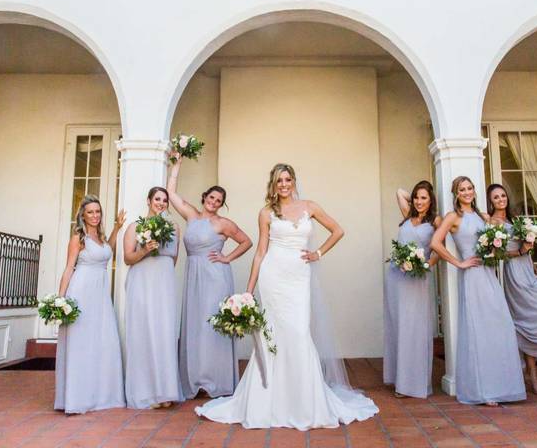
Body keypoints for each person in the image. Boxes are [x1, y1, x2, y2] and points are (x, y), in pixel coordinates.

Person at [195, 163, 379, 429]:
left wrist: (318, 253)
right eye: (279, 180)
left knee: (298, 332)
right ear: (273, 184)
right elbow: (260, 251)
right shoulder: (266, 212)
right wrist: (249, 289)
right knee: (272, 334)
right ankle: (267, 400)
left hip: (298, 276)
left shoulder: (310, 206)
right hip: (273, 276)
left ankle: (304, 402)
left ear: (293, 181)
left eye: (287, 179)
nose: (283, 184)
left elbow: (338, 230)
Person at [429, 177, 525, 406]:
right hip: (472, 276)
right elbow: (435, 242)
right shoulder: (453, 217)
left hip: (489, 274)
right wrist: (459, 262)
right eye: (462, 190)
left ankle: (502, 386)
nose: (467, 192)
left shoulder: (483, 216)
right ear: (456, 193)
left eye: (470, 188)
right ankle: (483, 390)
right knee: (478, 328)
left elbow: (499, 239)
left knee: (498, 326)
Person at [168, 153, 252, 398]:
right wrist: (177, 164)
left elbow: (247, 241)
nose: (214, 202)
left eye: (219, 200)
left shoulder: (223, 223)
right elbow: (171, 193)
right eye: (212, 197)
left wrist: (227, 257)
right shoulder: (191, 216)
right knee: (195, 325)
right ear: (204, 197)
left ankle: (216, 379)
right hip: (194, 275)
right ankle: (195, 379)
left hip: (215, 276)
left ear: (221, 204)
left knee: (211, 325)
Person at [487, 183, 537, 395]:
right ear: (490, 201)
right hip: (514, 274)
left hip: (528, 270)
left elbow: (526, 248)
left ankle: (530, 369)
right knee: (526, 318)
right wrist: (520, 251)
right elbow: (498, 253)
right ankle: (531, 373)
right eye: (496, 197)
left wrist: (532, 264)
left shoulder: (513, 219)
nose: (501, 199)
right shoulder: (493, 222)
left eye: (503, 195)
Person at [54, 195, 126, 413]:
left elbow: (108, 251)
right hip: (82, 290)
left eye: (98, 212)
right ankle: (77, 398)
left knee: (102, 340)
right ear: (82, 215)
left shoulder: (101, 237)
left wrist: (117, 228)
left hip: (101, 295)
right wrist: (60, 299)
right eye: (90, 212)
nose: (95, 216)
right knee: (81, 342)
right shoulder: (79, 237)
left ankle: (101, 395)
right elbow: (69, 268)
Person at [123, 186, 184, 408]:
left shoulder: (175, 227)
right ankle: (145, 391)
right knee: (143, 331)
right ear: (148, 200)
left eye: (165, 200)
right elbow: (128, 258)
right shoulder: (135, 227)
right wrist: (145, 250)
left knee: (163, 332)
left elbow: (173, 258)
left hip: (163, 284)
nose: (161, 203)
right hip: (141, 282)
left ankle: (165, 392)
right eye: (157, 199)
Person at [384, 181, 440, 398]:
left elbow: (436, 251)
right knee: (399, 325)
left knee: (414, 327)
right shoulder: (408, 214)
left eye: (424, 197)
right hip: (397, 277)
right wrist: (416, 199)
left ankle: (414, 383)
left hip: (418, 278)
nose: (418, 201)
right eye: (416, 197)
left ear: (431, 200)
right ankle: (400, 378)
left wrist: (425, 265)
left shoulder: (436, 221)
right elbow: (399, 191)